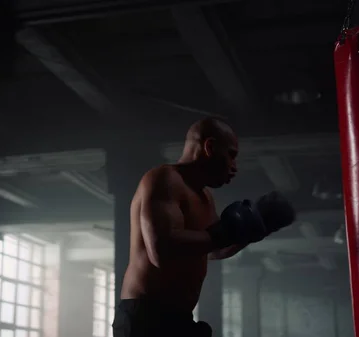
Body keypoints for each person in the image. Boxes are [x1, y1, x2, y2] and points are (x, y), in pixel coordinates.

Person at [112, 118, 295, 337]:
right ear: (209, 147)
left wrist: (257, 228)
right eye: (231, 155)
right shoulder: (165, 179)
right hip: (145, 318)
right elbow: (161, 252)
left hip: (178, 318)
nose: (234, 167)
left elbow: (214, 249)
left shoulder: (205, 196)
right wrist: (228, 230)